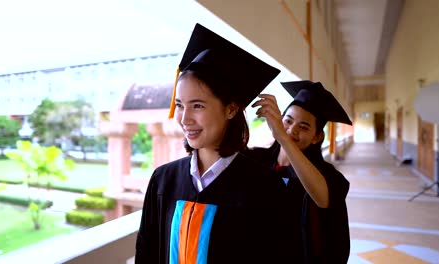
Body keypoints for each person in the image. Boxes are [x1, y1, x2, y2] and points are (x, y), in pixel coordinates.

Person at [135, 23, 289, 264]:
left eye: (198, 106)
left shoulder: (265, 187)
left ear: (230, 109)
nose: (185, 119)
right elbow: (147, 253)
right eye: (179, 105)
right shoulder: (163, 180)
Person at [244, 80, 352, 263]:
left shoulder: (328, 177)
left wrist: (283, 138)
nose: (291, 130)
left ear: (317, 137)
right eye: (288, 121)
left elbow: (324, 199)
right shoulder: (256, 161)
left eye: (304, 127)